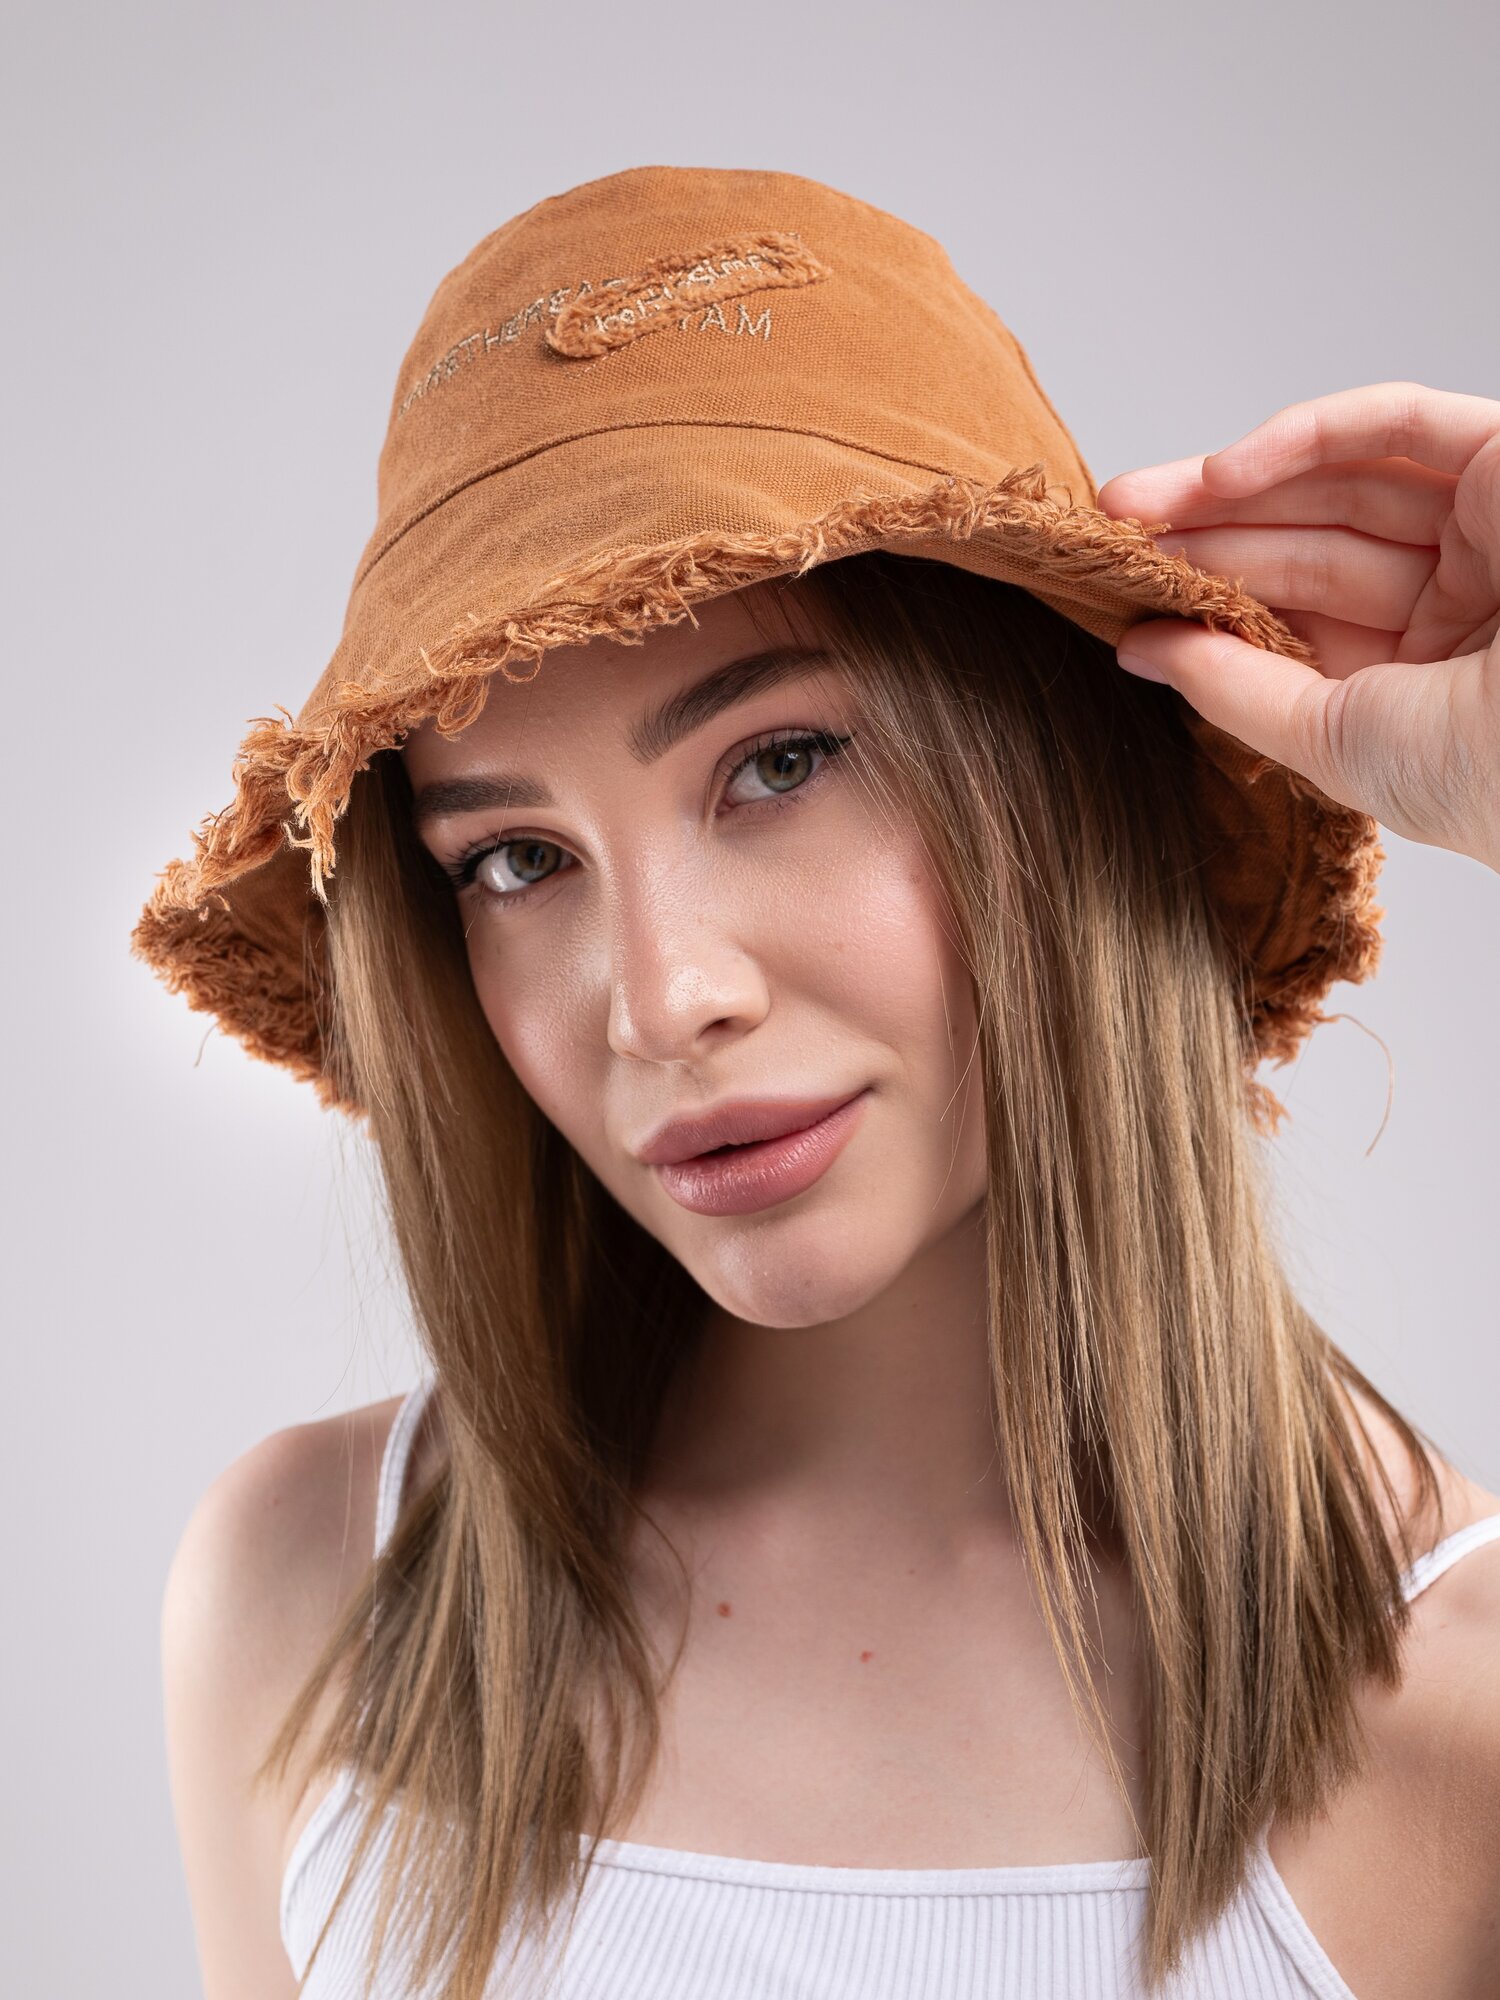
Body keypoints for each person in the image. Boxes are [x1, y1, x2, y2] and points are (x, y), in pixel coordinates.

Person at [138, 167, 1500, 1999]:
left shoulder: (1464, 1725)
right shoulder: (315, 1593)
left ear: (1056, 775)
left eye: (779, 762)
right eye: (517, 861)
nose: (662, 1000)